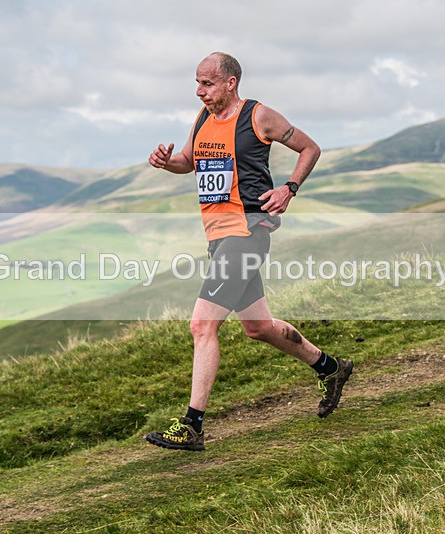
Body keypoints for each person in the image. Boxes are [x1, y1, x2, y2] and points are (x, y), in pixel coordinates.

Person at [145, 52, 353, 451]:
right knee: (257, 327)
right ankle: (332, 368)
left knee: (202, 325)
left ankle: (192, 426)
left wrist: (289, 188)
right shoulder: (203, 118)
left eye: (207, 83)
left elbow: (310, 148)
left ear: (230, 82)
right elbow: (188, 161)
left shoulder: (258, 116)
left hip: (249, 231)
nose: (199, 91)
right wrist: (165, 162)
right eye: (197, 83)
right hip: (220, 236)